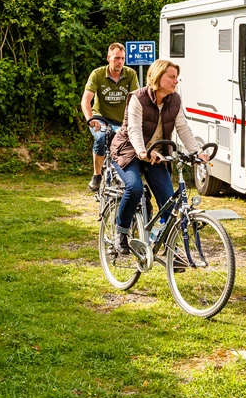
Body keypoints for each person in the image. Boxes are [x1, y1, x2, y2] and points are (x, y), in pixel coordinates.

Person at [107, 59, 203, 255]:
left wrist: (197, 151)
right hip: (129, 151)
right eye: (172, 77)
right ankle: (121, 232)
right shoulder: (138, 98)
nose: (176, 81)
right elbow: (134, 129)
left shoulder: (174, 100)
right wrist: (142, 152)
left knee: (168, 201)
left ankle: (168, 248)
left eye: (177, 77)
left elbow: (182, 128)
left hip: (156, 154)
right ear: (158, 77)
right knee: (133, 188)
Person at [81, 42, 139, 191]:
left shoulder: (130, 74)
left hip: (122, 120)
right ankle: (97, 175)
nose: (120, 62)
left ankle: (125, 175)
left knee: (130, 144)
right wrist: (90, 118)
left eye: (122, 59)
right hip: (101, 118)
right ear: (108, 58)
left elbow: (135, 100)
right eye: (116, 58)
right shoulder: (98, 74)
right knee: (100, 138)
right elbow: (86, 100)